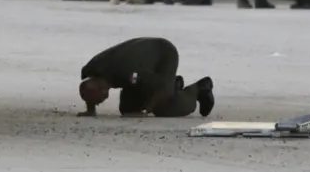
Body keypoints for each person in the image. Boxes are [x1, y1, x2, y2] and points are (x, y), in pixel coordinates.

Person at [77, 37, 215, 118]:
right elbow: (89, 90)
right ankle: (174, 84)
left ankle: (198, 88)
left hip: (163, 54)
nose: (99, 103)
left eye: (97, 101)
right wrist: (90, 110)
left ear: (102, 89)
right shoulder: (90, 70)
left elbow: (160, 87)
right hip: (141, 59)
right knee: (128, 110)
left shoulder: (130, 73)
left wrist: (145, 111)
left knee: (163, 108)